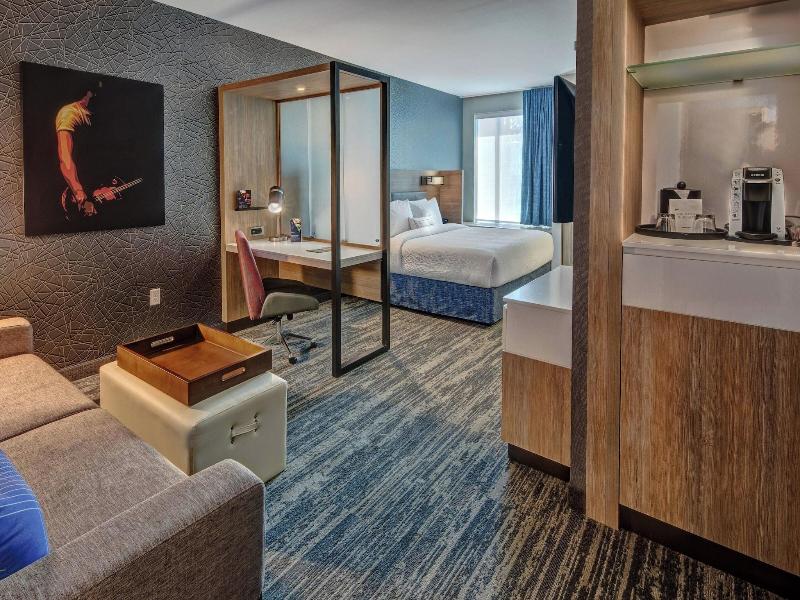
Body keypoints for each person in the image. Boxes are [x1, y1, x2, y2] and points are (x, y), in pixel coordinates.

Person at [56, 90, 117, 218]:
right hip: (79, 196)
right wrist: (79, 193)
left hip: (102, 188)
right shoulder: (70, 113)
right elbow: (65, 157)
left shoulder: (105, 114)